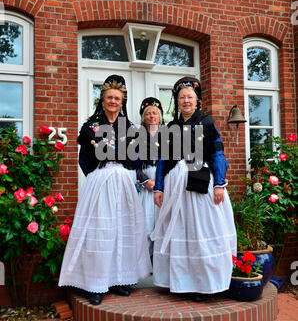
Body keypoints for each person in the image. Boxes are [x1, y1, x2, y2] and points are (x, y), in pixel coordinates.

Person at [58, 75, 152, 305]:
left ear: (122, 102)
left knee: (123, 230)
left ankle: (120, 280)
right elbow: (84, 160)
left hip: (124, 182)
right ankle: (95, 284)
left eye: (117, 98)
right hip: (100, 181)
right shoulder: (90, 127)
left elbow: (137, 159)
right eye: (109, 97)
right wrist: (99, 175)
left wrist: (122, 163)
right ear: (102, 100)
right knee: (99, 231)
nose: (112, 101)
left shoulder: (130, 128)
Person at [151, 77, 237, 302]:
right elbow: (162, 160)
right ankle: (181, 283)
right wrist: (158, 187)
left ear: (197, 100)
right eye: (182, 97)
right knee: (180, 230)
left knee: (202, 231)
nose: (186, 101)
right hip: (175, 187)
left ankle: (206, 284)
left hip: (202, 184)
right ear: (177, 102)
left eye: (190, 97)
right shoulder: (171, 127)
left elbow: (217, 153)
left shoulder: (207, 123)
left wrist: (220, 183)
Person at [137, 97, 163, 260]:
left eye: (154, 113)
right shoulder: (136, 137)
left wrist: (162, 183)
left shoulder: (169, 136)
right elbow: (131, 162)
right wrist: (145, 180)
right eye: (148, 113)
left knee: (162, 225)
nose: (151, 116)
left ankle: (160, 264)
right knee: (146, 225)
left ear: (159, 116)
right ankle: (144, 263)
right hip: (146, 186)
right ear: (143, 117)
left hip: (164, 186)